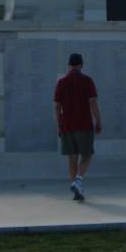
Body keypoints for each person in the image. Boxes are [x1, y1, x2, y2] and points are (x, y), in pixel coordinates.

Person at [53, 53, 102, 201]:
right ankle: (79, 180)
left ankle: (76, 190)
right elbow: (93, 102)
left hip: (67, 125)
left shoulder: (61, 82)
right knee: (87, 155)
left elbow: (56, 107)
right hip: (84, 124)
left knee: (72, 158)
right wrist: (99, 121)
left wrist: (59, 124)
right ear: (81, 65)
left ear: (69, 65)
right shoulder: (87, 81)